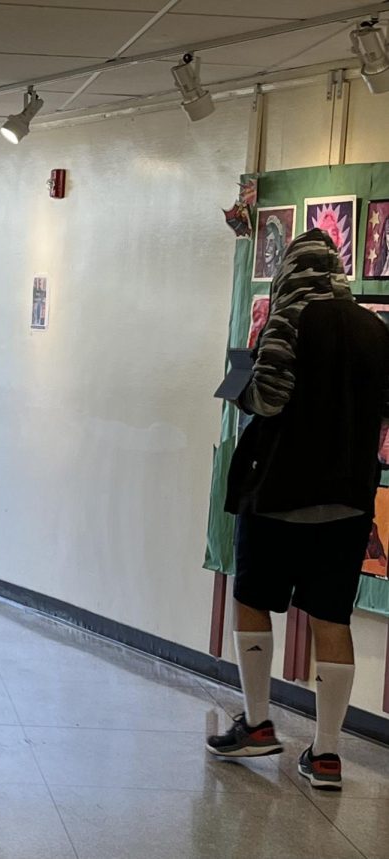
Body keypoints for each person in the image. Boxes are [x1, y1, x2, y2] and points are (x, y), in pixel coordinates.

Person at [206, 229, 389, 791]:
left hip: (280, 492)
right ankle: (328, 753)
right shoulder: (376, 331)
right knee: (333, 618)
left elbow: (269, 398)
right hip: (350, 500)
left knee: (253, 601)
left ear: (291, 271)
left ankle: (259, 722)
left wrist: (238, 386)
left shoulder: (286, 319)